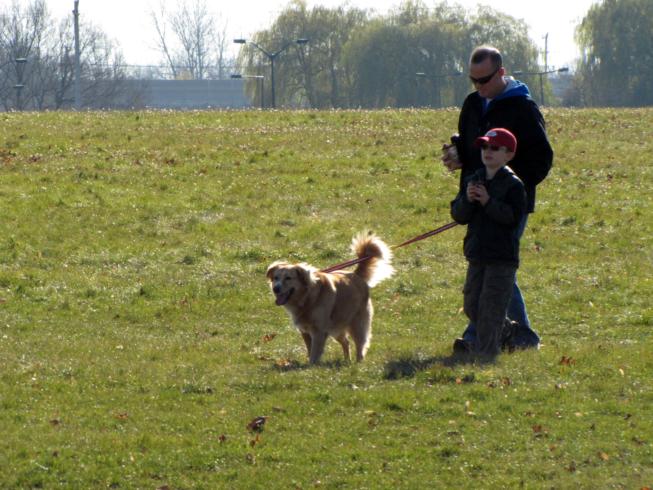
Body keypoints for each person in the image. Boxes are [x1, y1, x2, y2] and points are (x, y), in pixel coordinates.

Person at [442, 46, 553, 352]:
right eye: (473, 80)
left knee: (498, 265)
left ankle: (480, 338)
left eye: (484, 80)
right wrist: (458, 155)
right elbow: (471, 147)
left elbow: (541, 160)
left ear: (501, 73)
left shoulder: (523, 108)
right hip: (476, 199)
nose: (478, 87)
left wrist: (506, 188)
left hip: (508, 205)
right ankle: (515, 333)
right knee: (485, 263)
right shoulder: (472, 104)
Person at [450, 128, 526, 357]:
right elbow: (459, 215)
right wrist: (468, 200)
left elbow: (512, 218)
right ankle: (507, 329)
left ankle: (486, 358)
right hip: (477, 253)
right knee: (472, 304)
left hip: (501, 258)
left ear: (508, 155)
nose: (487, 152)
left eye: (494, 148)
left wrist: (488, 201)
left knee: (491, 307)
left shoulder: (513, 185)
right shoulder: (474, 179)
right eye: (484, 147)